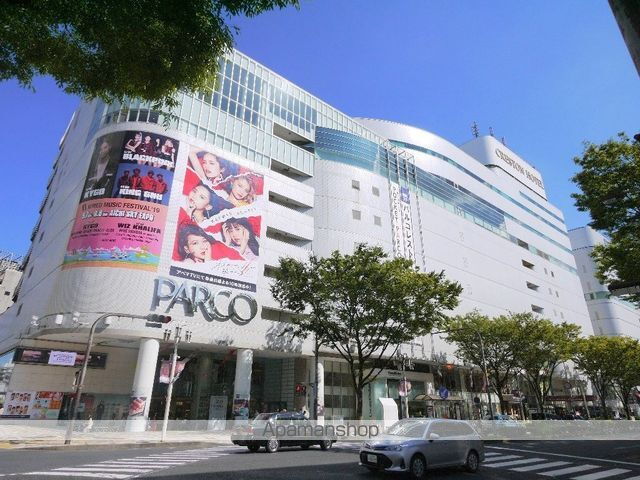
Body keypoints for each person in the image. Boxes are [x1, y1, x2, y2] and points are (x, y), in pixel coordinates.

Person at [177, 224, 243, 263]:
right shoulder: (188, 263)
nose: (203, 247)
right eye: (195, 243)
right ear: (186, 249)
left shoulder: (208, 259)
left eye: (204, 241)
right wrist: (208, 262)